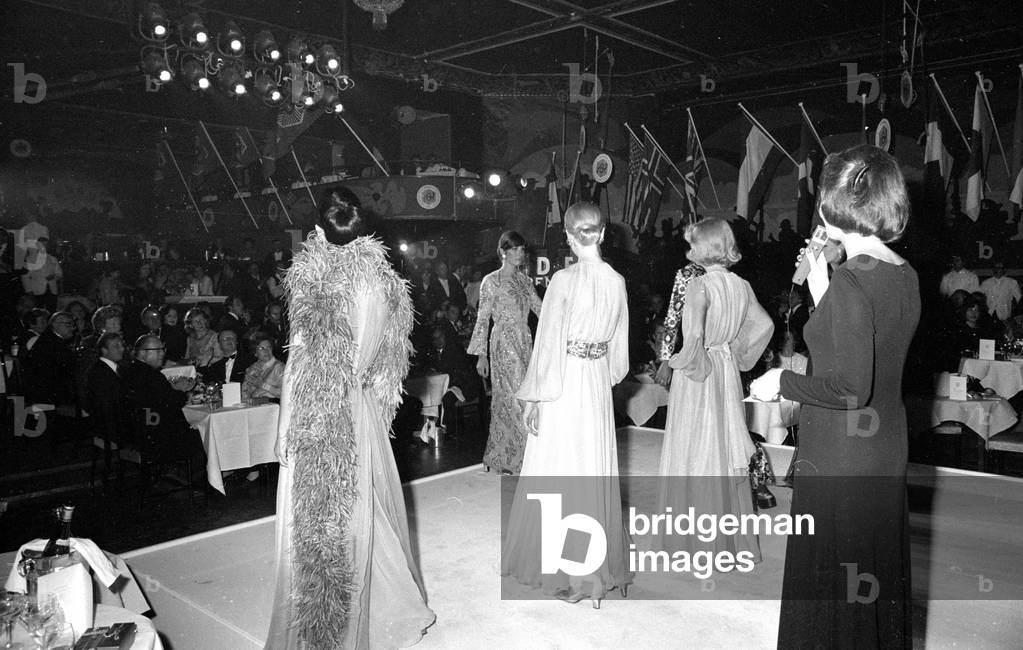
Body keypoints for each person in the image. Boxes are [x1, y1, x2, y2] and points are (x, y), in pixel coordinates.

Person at [751, 144, 919, 648]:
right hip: (882, 447)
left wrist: (781, 382)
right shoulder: (900, 272)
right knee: (866, 581)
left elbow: (848, 387)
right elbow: (856, 336)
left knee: (829, 582)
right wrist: (824, 278)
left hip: (841, 452)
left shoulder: (853, 281)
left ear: (834, 203)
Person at [265, 187, 434, 649]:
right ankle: (390, 607)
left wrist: (285, 426)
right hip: (362, 407)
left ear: (319, 230)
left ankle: (330, 630)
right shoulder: (383, 279)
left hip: (322, 409)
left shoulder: (317, 279)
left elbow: (301, 361)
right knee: (365, 510)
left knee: (321, 525)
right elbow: (390, 362)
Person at [502, 202, 631, 607]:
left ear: (571, 238)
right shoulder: (617, 281)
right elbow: (619, 354)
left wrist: (535, 397)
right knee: (591, 468)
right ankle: (591, 574)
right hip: (593, 384)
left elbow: (548, 343)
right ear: (604, 234)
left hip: (563, 380)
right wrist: (601, 375)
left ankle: (570, 574)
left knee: (559, 469)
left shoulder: (562, 279)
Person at [652, 218, 773, 562]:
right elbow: (764, 325)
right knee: (724, 448)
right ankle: (727, 536)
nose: (689, 251)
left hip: (699, 373)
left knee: (696, 449)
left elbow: (692, 338)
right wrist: (737, 353)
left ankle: (694, 538)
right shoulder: (742, 285)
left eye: (693, 245)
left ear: (705, 248)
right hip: (726, 370)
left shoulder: (699, 285)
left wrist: (678, 363)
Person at [467, 231, 542, 474]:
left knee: (522, 396)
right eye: (514, 249)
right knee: (515, 397)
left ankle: (505, 457)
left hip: (524, 342)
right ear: (503, 251)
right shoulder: (491, 281)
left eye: (522, 249)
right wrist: (481, 355)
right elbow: (482, 318)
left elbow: (541, 310)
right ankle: (517, 459)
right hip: (503, 344)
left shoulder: (525, 281)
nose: (519, 253)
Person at [241, 334, 284, 401]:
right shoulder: (251, 369)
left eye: (269, 347)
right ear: (255, 352)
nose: (266, 351)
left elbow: (286, 393)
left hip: (274, 406)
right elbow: (244, 391)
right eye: (261, 348)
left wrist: (264, 386)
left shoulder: (280, 367)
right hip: (253, 406)